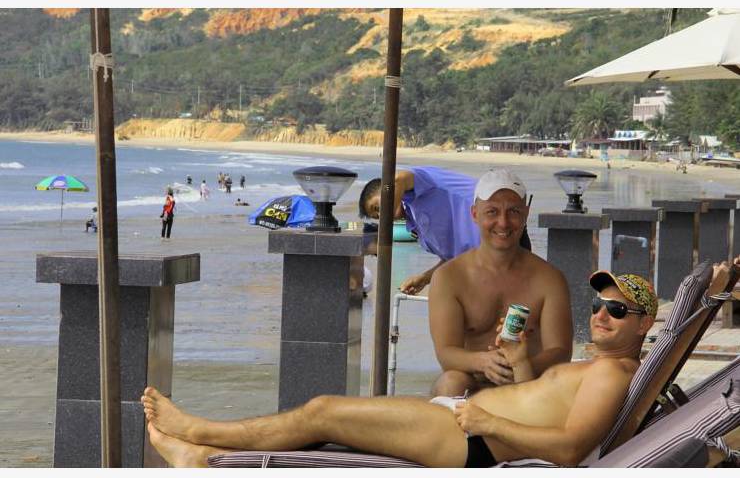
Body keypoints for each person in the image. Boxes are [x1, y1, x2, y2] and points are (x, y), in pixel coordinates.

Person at [141, 268, 665, 468]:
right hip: (463, 426)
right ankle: (204, 456)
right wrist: (523, 363)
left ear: (644, 324)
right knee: (328, 433)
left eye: (617, 311)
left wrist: (488, 421)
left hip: (468, 440)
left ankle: (199, 433)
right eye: (598, 305)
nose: (601, 315)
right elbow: (546, 410)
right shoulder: (601, 368)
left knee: (323, 413)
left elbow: (570, 450)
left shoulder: (611, 374)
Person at [428, 169, 571, 396]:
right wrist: (483, 362)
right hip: (473, 382)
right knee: (451, 381)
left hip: (528, 385)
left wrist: (520, 366)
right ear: (475, 214)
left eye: (513, 212)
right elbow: (446, 353)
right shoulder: (449, 277)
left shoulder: (550, 279)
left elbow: (561, 352)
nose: (503, 223)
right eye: (492, 212)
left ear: (526, 214)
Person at [358, 167, 531, 295]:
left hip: (505, 237)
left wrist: (387, 214)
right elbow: (455, 259)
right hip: (486, 267)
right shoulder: (416, 226)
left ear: (385, 188)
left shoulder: (421, 184)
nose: (381, 215)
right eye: (377, 215)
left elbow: (399, 179)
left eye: (377, 207)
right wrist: (425, 278)